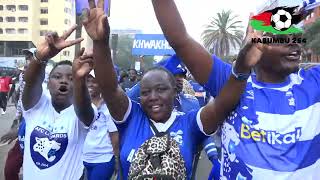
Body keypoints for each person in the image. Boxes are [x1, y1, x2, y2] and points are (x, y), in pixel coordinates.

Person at [81, 0, 263, 179]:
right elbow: (110, 89)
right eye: (145, 92)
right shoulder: (131, 118)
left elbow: (223, 103)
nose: (152, 97)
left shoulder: (190, 122)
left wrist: (241, 69)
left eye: (161, 89)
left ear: (175, 91)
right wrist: (101, 43)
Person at [151, 0, 320, 179]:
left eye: (297, 37)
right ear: (254, 42)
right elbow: (179, 40)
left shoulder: (314, 83)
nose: (294, 44)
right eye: (283, 38)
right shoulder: (232, 83)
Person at [21, 25, 96, 180]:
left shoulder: (83, 113)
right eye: (57, 77)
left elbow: (83, 107)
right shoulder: (36, 106)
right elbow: (31, 82)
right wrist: (40, 57)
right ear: (48, 83)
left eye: (71, 78)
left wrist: (80, 79)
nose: (64, 81)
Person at [82, 70, 120, 180]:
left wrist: (117, 159)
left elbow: (114, 134)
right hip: (82, 158)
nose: (90, 84)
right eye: (87, 80)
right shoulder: (80, 105)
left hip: (103, 159)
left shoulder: (108, 106)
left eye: (94, 81)